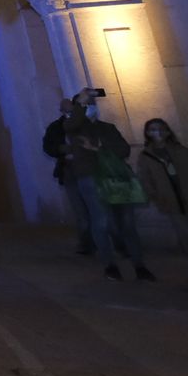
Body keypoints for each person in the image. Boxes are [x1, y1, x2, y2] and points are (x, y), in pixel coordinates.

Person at [60, 89, 155, 283]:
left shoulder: (107, 128)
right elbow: (72, 124)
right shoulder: (75, 128)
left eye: (91, 103)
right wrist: (80, 104)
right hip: (91, 178)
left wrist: (98, 148)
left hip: (116, 178)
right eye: (86, 104)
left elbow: (124, 149)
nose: (90, 106)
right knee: (102, 221)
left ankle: (139, 265)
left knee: (127, 223)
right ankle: (109, 265)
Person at [135, 119, 188, 278]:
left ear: (167, 132)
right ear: (147, 133)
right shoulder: (146, 156)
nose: (157, 133)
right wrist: (157, 197)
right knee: (185, 235)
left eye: (161, 129)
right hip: (170, 201)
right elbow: (145, 179)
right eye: (152, 129)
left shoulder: (180, 151)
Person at [43, 98, 96, 255]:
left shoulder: (85, 123)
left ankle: (98, 240)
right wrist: (62, 149)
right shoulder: (55, 127)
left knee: (95, 208)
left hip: (89, 169)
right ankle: (87, 243)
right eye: (63, 107)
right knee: (80, 210)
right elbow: (48, 146)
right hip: (70, 171)